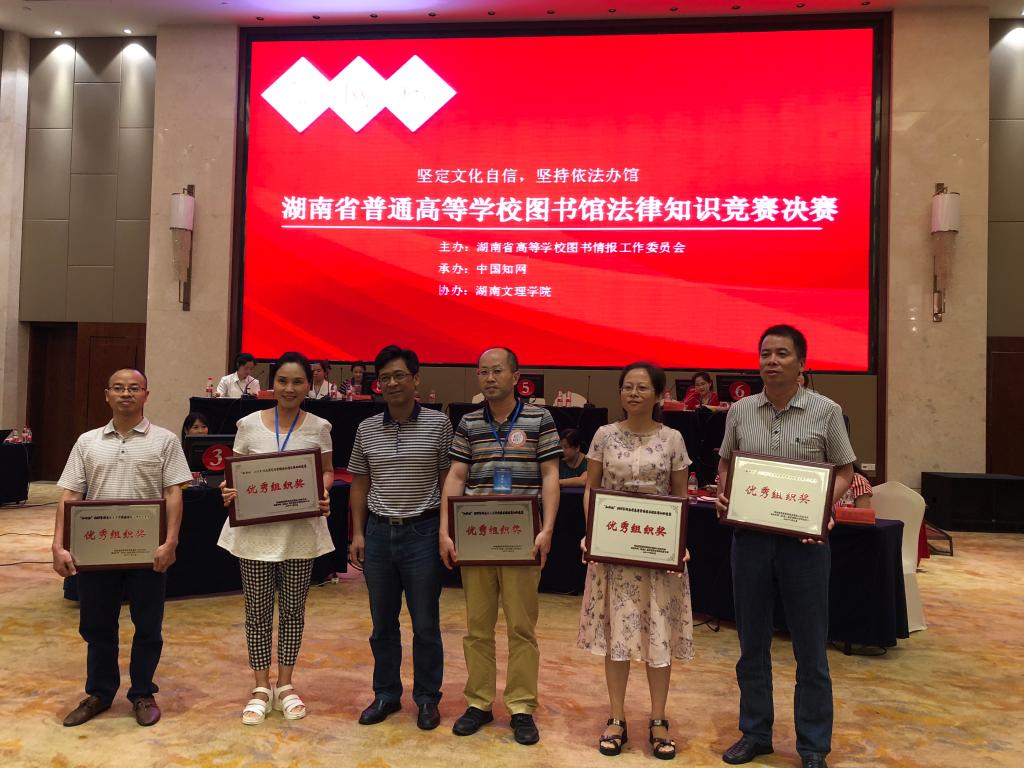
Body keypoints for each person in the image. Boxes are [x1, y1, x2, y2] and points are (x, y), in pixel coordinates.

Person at [716, 325, 855, 768]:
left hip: (804, 545)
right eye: (765, 354)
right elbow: (726, 463)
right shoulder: (740, 411)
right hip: (751, 542)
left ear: (802, 364)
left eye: (782, 354)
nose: (771, 361)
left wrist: (821, 508)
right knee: (751, 644)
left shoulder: (826, 411)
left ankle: (813, 747)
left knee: (810, 649)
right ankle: (755, 733)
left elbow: (845, 472)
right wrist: (723, 492)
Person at [52, 368, 191, 727]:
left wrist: (170, 542)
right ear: (107, 395)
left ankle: (142, 693)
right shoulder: (87, 442)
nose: (126, 394)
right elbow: (70, 495)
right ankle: (99, 693)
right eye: (118, 388)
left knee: (148, 626)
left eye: (134, 388)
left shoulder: (165, 441)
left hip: (146, 553)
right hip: (96, 552)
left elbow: (173, 493)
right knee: (97, 626)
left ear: (146, 394)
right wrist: (58, 545)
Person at [439, 347, 561, 745]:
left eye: (497, 371)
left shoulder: (540, 418)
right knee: (477, 627)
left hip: (522, 540)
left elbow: (550, 475)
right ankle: (478, 702)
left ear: (515, 375)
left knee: (522, 628)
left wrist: (548, 529)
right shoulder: (469, 422)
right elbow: (457, 476)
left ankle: (522, 706)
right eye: (483, 372)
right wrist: (445, 531)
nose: (489, 378)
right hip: (477, 539)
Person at [578, 362, 694, 760]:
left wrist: (679, 541)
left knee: (657, 634)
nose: (633, 393)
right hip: (615, 552)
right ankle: (616, 717)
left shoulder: (673, 438)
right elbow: (591, 489)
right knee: (618, 636)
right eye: (627, 386)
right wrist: (592, 533)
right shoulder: (604, 435)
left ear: (658, 395)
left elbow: (680, 496)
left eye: (642, 387)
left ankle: (659, 720)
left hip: (657, 554)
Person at [219, 351, 334, 725]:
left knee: (293, 612)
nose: (289, 388)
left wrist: (323, 491)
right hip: (254, 534)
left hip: (299, 533)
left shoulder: (319, 427)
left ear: (308, 386)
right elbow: (234, 474)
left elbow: (327, 471)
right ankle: (260, 686)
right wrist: (228, 491)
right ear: (273, 384)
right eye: (283, 380)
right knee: (256, 612)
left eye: (298, 381)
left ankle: (285, 684)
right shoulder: (249, 425)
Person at [348, 345, 454, 731]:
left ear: (415, 378)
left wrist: (444, 531)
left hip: (422, 533)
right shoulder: (366, 429)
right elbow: (360, 484)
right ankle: (386, 695)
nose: (392, 383)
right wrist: (357, 533)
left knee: (425, 623)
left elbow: (447, 482)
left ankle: (426, 698)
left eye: (399, 375)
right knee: (382, 624)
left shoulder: (439, 425)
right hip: (378, 534)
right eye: (385, 378)